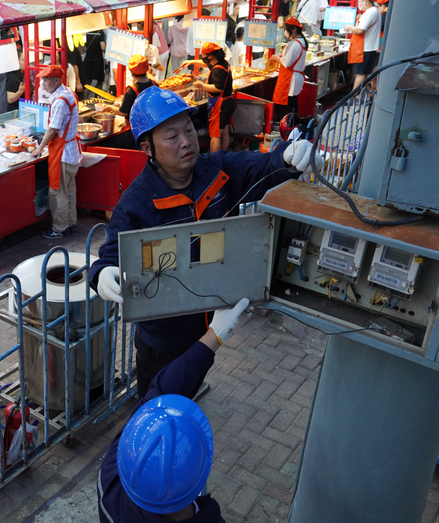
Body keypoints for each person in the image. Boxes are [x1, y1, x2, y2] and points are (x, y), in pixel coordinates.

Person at [90, 87, 321, 400]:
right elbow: (110, 255)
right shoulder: (137, 203)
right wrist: (102, 273)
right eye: (171, 137)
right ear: (146, 147)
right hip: (165, 335)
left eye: (189, 129)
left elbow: (265, 167)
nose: (186, 142)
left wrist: (290, 156)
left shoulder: (218, 171)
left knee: (188, 388)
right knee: (158, 404)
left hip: (208, 320)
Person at [98, 298, 250, 523]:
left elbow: (158, 393)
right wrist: (216, 335)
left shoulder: (111, 483)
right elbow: (161, 389)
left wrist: (213, 337)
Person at [32, 65, 82, 240]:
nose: (43, 83)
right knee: (69, 190)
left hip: (63, 154)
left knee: (57, 193)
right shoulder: (68, 93)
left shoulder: (60, 101)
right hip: (72, 152)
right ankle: (71, 224)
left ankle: (59, 229)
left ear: (55, 81)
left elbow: (53, 129)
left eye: (45, 80)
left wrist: (39, 147)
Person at [192, 42, 234, 153]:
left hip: (220, 105)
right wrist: (191, 62)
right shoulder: (221, 63)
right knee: (224, 132)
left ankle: (214, 160)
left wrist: (202, 85)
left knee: (215, 136)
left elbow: (218, 88)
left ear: (210, 56)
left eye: (204, 55)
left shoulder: (218, 69)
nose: (203, 57)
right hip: (227, 102)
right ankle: (224, 157)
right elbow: (206, 64)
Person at [268, 17, 308, 119]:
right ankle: (293, 128)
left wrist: (276, 58)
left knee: (285, 108)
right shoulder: (302, 41)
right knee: (293, 105)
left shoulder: (294, 43)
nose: (285, 32)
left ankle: (285, 131)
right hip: (296, 77)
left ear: (294, 29)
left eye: (286, 29)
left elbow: (286, 62)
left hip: (289, 79)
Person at [343, 0, 381, 89]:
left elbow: (360, 30)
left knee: (360, 74)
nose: (359, 4)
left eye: (360, 1)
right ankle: (360, 95)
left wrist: (349, 27)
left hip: (364, 48)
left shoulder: (369, 13)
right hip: (369, 47)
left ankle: (354, 96)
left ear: (366, 1)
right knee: (364, 73)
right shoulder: (376, 11)